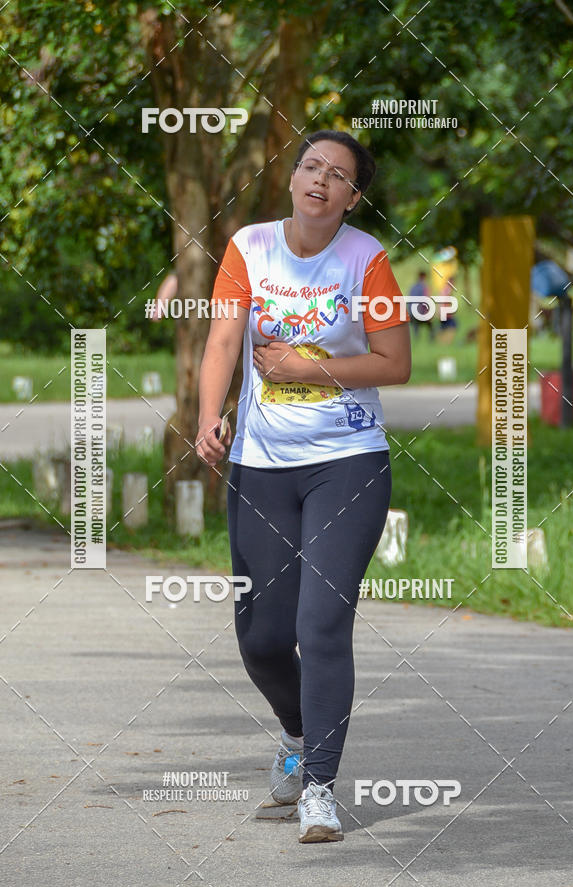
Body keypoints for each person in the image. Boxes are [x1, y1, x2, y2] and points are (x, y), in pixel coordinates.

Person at [195, 129, 411, 844]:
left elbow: (394, 363)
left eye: (338, 174)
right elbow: (225, 338)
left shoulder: (367, 261)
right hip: (260, 466)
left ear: (353, 197)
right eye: (311, 166)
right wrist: (209, 416)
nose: (321, 179)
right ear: (292, 178)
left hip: (347, 463)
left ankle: (320, 786)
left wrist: (304, 368)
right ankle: (295, 733)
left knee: (320, 626)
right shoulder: (250, 247)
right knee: (260, 638)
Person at [407, 269, 435, 340]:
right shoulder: (425, 287)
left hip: (411, 313)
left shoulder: (412, 287)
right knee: (431, 326)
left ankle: (416, 341)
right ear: (424, 277)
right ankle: (431, 340)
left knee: (416, 327)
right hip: (420, 313)